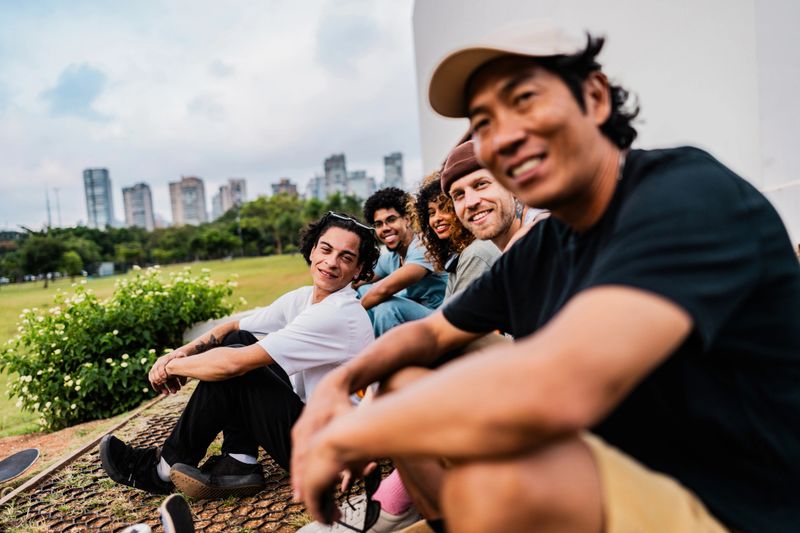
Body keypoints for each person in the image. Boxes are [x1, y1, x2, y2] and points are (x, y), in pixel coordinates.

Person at [291, 23, 800, 533]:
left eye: (526, 100)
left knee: (503, 482)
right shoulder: (543, 246)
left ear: (594, 98)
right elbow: (431, 333)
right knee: (403, 377)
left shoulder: (685, 194)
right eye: (485, 123)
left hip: (738, 507)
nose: (506, 136)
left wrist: (352, 434)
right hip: (624, 471)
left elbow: (561, 384)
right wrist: (341, 384)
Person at [99, 212, 379, 500]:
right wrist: (178, 354)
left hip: (328, 455)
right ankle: (239, 461)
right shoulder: (303, 298)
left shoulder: (337, 314)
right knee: (239, 340)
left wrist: (174, 368)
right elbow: (232, 327)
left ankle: (163, 468)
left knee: (239, 363)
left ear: (358, 269)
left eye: (346, 257)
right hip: (312, 428)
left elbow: (233, 364)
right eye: (326, 249)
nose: (331, 262)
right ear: (312, 250)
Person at [358, 187, 447, 336]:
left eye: (391, 220)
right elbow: (358, 279)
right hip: (417, 316)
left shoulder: (424, 247)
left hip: (441, 320)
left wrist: (349, 313)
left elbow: (383, 290)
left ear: (407, 219)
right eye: (379, 224)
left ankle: (383, 350)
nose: (385, 228)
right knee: (363, 290)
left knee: (388, 308)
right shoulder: (392, 257)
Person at [413, 172, 500, 298]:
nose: (437, 218)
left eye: (445, 209)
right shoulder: (460, 253)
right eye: (431, 213)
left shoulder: (475, 253)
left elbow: (463, 310)